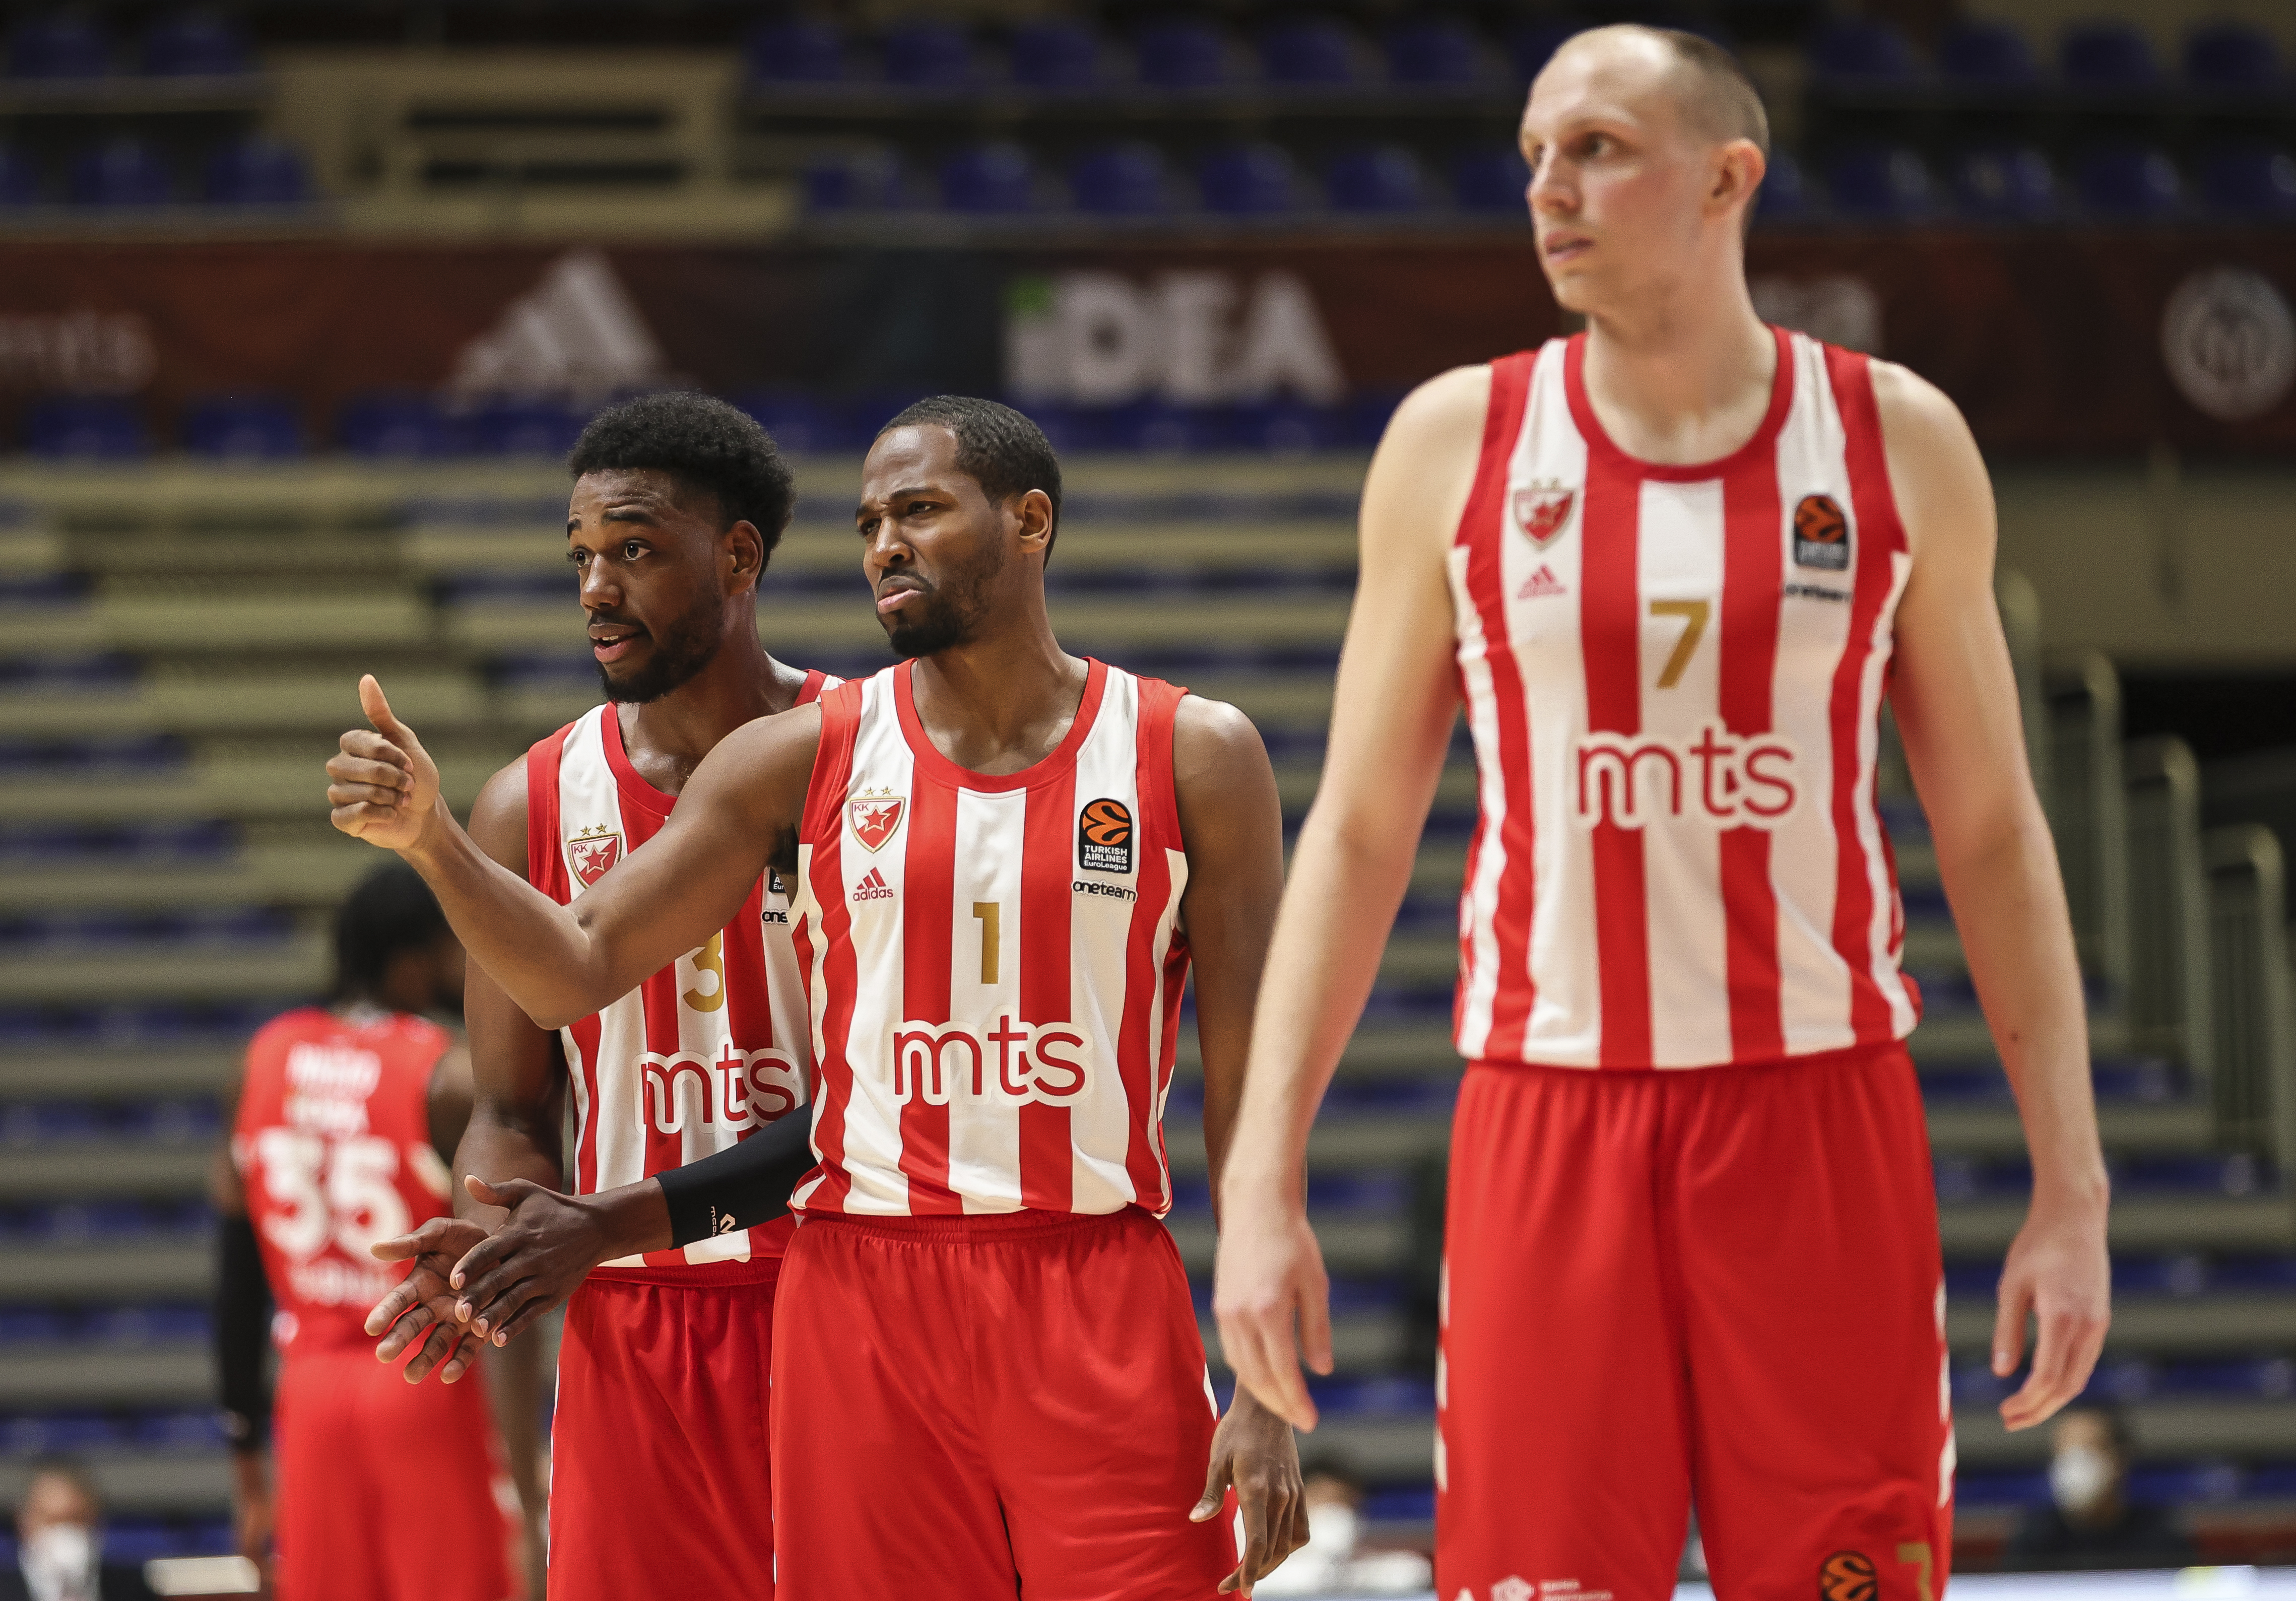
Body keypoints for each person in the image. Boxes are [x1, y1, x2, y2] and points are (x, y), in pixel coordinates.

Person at [1209, 24, 2113, 1601]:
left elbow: (1988, 830)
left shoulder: (1895, 438)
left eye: (1597, 149)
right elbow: (1356, 833)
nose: (1548, 189)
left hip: (1822, 1111)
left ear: (1724, 178)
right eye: (1534, 159)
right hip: (1546, 1118)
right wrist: (1261, 1184)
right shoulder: (1450, 444)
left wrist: (2071, 1186)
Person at [326, 395, 1309, 1598]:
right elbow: (572, 970)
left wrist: (1267, 1381)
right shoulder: (802, 756)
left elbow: (1257, 1092)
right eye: (868, 524)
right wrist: (433, 840)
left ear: (1031, 521)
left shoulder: (1190, 750)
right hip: (842, 1296)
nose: (887, 545)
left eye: (920, 512)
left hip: (1074, 1273)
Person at [358, 392, 830, 1601]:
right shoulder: (531, 801)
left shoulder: (864, 754)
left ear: (738, 557)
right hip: (638, 1328)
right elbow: (514, 1101)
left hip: (842, 1296)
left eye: (634, 551)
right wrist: (497, 1229)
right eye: (581, 557)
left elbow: (871, 1108)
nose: (596, 589)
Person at [211, 861, 540, 1601]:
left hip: (312, 1388)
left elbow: (234, 1280)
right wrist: (526, 1486)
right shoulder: (446, 1072)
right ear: (418, 956)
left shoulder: (262, 1057)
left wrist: (245, 1461)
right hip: (421, 1374)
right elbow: (501, 1276)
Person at [2005, 1405, 2194, 1569]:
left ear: (2120, 1458)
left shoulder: (2160, 1540)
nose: (2075, 1463)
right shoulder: (2033, 1541)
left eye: (2089, 1449)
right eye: (2066, 1450)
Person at [3, 1463, 158, 1601]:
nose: (63, 1531)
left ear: (96, 1520)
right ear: (23, 1522)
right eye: (51, 1520)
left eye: (75, 1519)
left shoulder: (133, 1587)